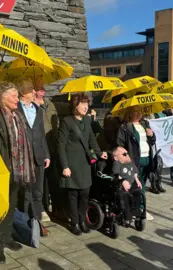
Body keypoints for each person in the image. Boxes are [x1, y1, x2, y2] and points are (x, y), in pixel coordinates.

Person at [0, 82, 34, 264]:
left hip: (16, 171)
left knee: (11, 206)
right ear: (1, 97)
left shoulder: (17, 116)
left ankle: (7, 237)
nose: (17, 98)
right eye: (13, 95)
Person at [57, 93, 108, 235]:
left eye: (87, 104)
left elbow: (92, 139)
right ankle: (74, 222)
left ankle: (82, 220)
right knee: (73, 195)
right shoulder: (67, 122)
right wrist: (65, 166)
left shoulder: (86, 120)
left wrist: (99, 153)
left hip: (85, 163)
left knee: (85, 194)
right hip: (71, 164)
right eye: (83, 104)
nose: (86, 107)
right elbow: (60, 145)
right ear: (75, 105)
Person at [16, 80, 51, 228]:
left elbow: (41, 134)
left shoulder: (38, 110)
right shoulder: (15, 109)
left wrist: (47, 154)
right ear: (24, 93)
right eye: (31, 91)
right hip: (23, 155)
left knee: (38, 189)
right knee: (25, 191)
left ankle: (37, 219)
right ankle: (25, 221)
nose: (34, 94)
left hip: (39, 155)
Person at [117, 106, 155, 221]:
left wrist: (151, 135)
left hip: (146, 158)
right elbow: (120, 144)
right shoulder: (125, 127)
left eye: (140, 111)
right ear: (130, 113)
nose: (139, 114)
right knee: (139, 185)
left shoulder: (145, 124)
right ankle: (140, 209)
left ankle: (137, 208)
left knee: (142, 182)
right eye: (136, 111)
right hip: (134, 160)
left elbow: (152, 141)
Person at [33, 84, 63, 221]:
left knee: (54, 177)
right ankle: (43, 208)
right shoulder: (31, 106)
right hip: (40, 145)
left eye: (43, 88)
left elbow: (56, 122)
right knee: (42, 180)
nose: (42, 90)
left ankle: (57, 208)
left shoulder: (49, 104)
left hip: (52, 144)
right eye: (40, 88)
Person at [112, 146, 142, 227]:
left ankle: (135, 211)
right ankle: (127, 216)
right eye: (124, 154)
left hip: (131, 184)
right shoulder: (117, 163)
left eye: (127, 153)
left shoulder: (130, 161)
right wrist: (123, 181)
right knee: (124, 197)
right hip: (121, 186)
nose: (127, 155)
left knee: (138, 193)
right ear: (116, 157)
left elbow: (134, 171)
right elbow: (116, 175)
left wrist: (137, 179)